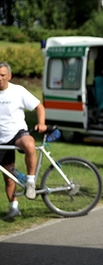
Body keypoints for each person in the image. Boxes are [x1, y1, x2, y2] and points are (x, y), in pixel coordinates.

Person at [0, 61, 47, 219]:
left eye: (3, 75)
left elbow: (39, 107)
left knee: (29, 143)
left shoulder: (18, 91)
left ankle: (31, 181)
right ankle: (14, 207)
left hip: (18, 133)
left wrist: (41, 123)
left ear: (9, 76)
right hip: (1, 140)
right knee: (8, 178)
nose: (0, 78)